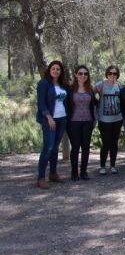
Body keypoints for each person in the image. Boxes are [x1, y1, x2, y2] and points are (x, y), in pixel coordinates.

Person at [36, 60, 69, 189]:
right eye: (53, 69)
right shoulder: (44, 83)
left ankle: (53, 174)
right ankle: (41, 178)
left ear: (61, 72)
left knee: (55, 147)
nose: (56, 71)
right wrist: (49, 118)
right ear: (49, 70)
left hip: (62, 119)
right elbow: (41, 103)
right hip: (49, 120)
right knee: (48, 147)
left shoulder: (62, 85)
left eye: (58, 69)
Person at [65, 65, 97, 181]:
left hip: (88, 122)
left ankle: (84, 172)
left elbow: (94, 105)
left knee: (86, 147)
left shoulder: (90, 89)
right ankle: (74, 173)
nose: (83, 76)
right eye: (80, 73)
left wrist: (95, 120)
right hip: (73, 122)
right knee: (75, 147)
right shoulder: (69, 89)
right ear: (75, 75)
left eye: (85, 74)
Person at [96, 65, 123, 175]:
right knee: (105, 143)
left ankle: (112, 165)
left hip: (117, 119)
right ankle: (102, 166)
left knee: (114, 143)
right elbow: (89, 93)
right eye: (110, 73)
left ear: (117, 75)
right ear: (107, 74)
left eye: (114, 73)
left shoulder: (119, 86)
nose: (112, 75)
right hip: (104, 119)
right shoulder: (101, 85)